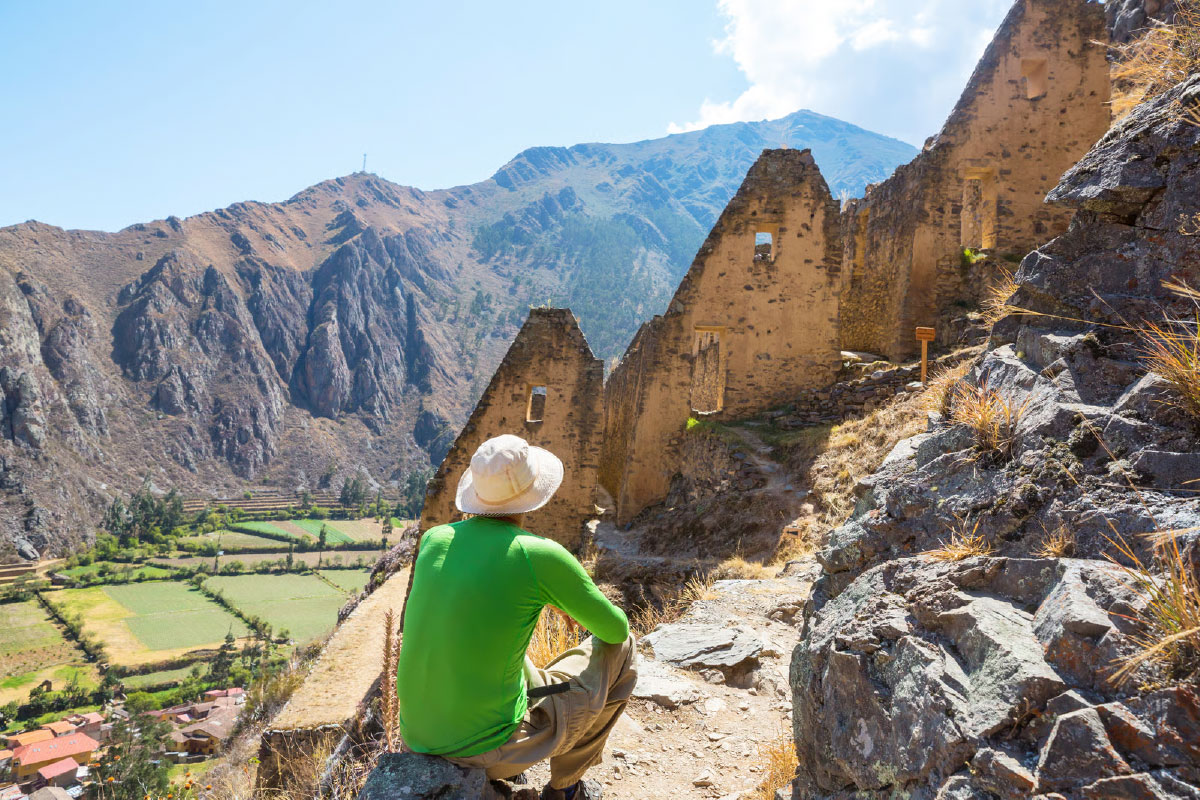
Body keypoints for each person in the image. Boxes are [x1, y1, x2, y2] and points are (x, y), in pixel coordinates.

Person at [398, 434, 636, 800]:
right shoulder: (538, 555)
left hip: (417, 737)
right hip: (483, 749)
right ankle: (566, 787)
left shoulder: (435, 538)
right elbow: (615, 629)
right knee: (625, 652)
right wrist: (562, 594)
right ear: (533, 493)